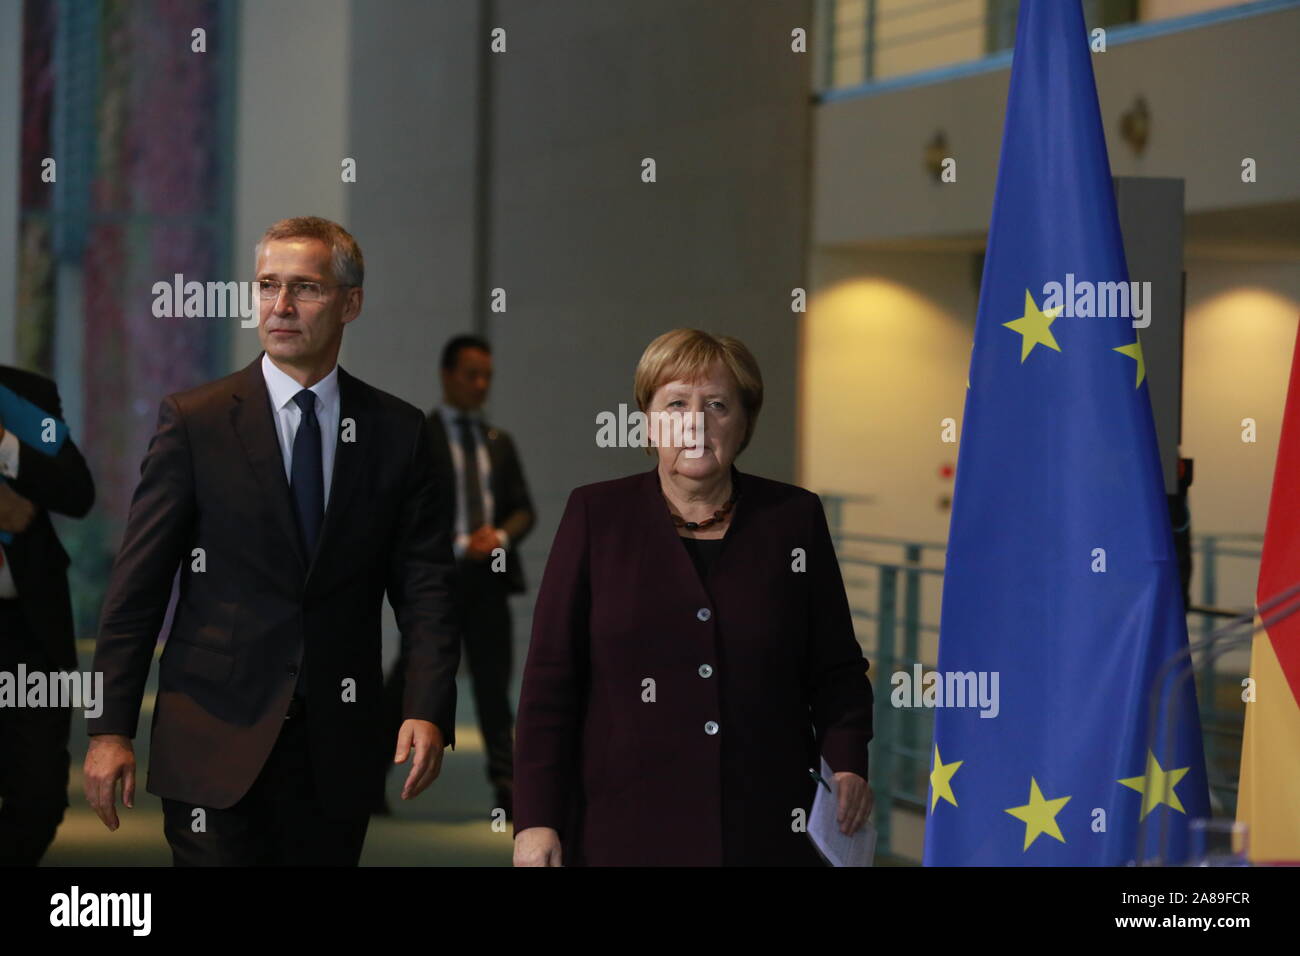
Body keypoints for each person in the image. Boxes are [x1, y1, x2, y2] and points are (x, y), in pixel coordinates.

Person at [83, 216, 460, 866]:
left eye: (305, 288)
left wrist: (426, 706)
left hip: (336, 750)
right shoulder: (195, 421)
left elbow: (426, 588)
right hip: (211, 737)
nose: (280, 306)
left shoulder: (397, 432)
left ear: (351, 302)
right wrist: (109, 727)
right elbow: (137, 589)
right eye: (266, 286)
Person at [513, 328, 874, 866]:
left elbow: (837, 668)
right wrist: (535, 821)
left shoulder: (793, 519)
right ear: (647, 419)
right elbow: (550, 681)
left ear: (745, 422)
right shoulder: (595, 516)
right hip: (623, 825)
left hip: (764, 825)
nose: (695, 422)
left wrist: (846, 759)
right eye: (676, 403)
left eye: (717, 405)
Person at [377, 335, 533, 819]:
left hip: (489, 578)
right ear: (447, 376)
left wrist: (501, 537)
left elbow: (522, 509)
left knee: (494, 687)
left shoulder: (498, 442)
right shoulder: (419, 436)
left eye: (487, 375)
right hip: (436, 580)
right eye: (471, 374)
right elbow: (404, 510)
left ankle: (508, 788)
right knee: (411, 679)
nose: (481, 384)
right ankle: (369, 777)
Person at [0, 367, 94, 865]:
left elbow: (77, 492)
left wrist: (4, 446)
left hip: (27, 634)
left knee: (39, 795)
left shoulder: (25, 398)